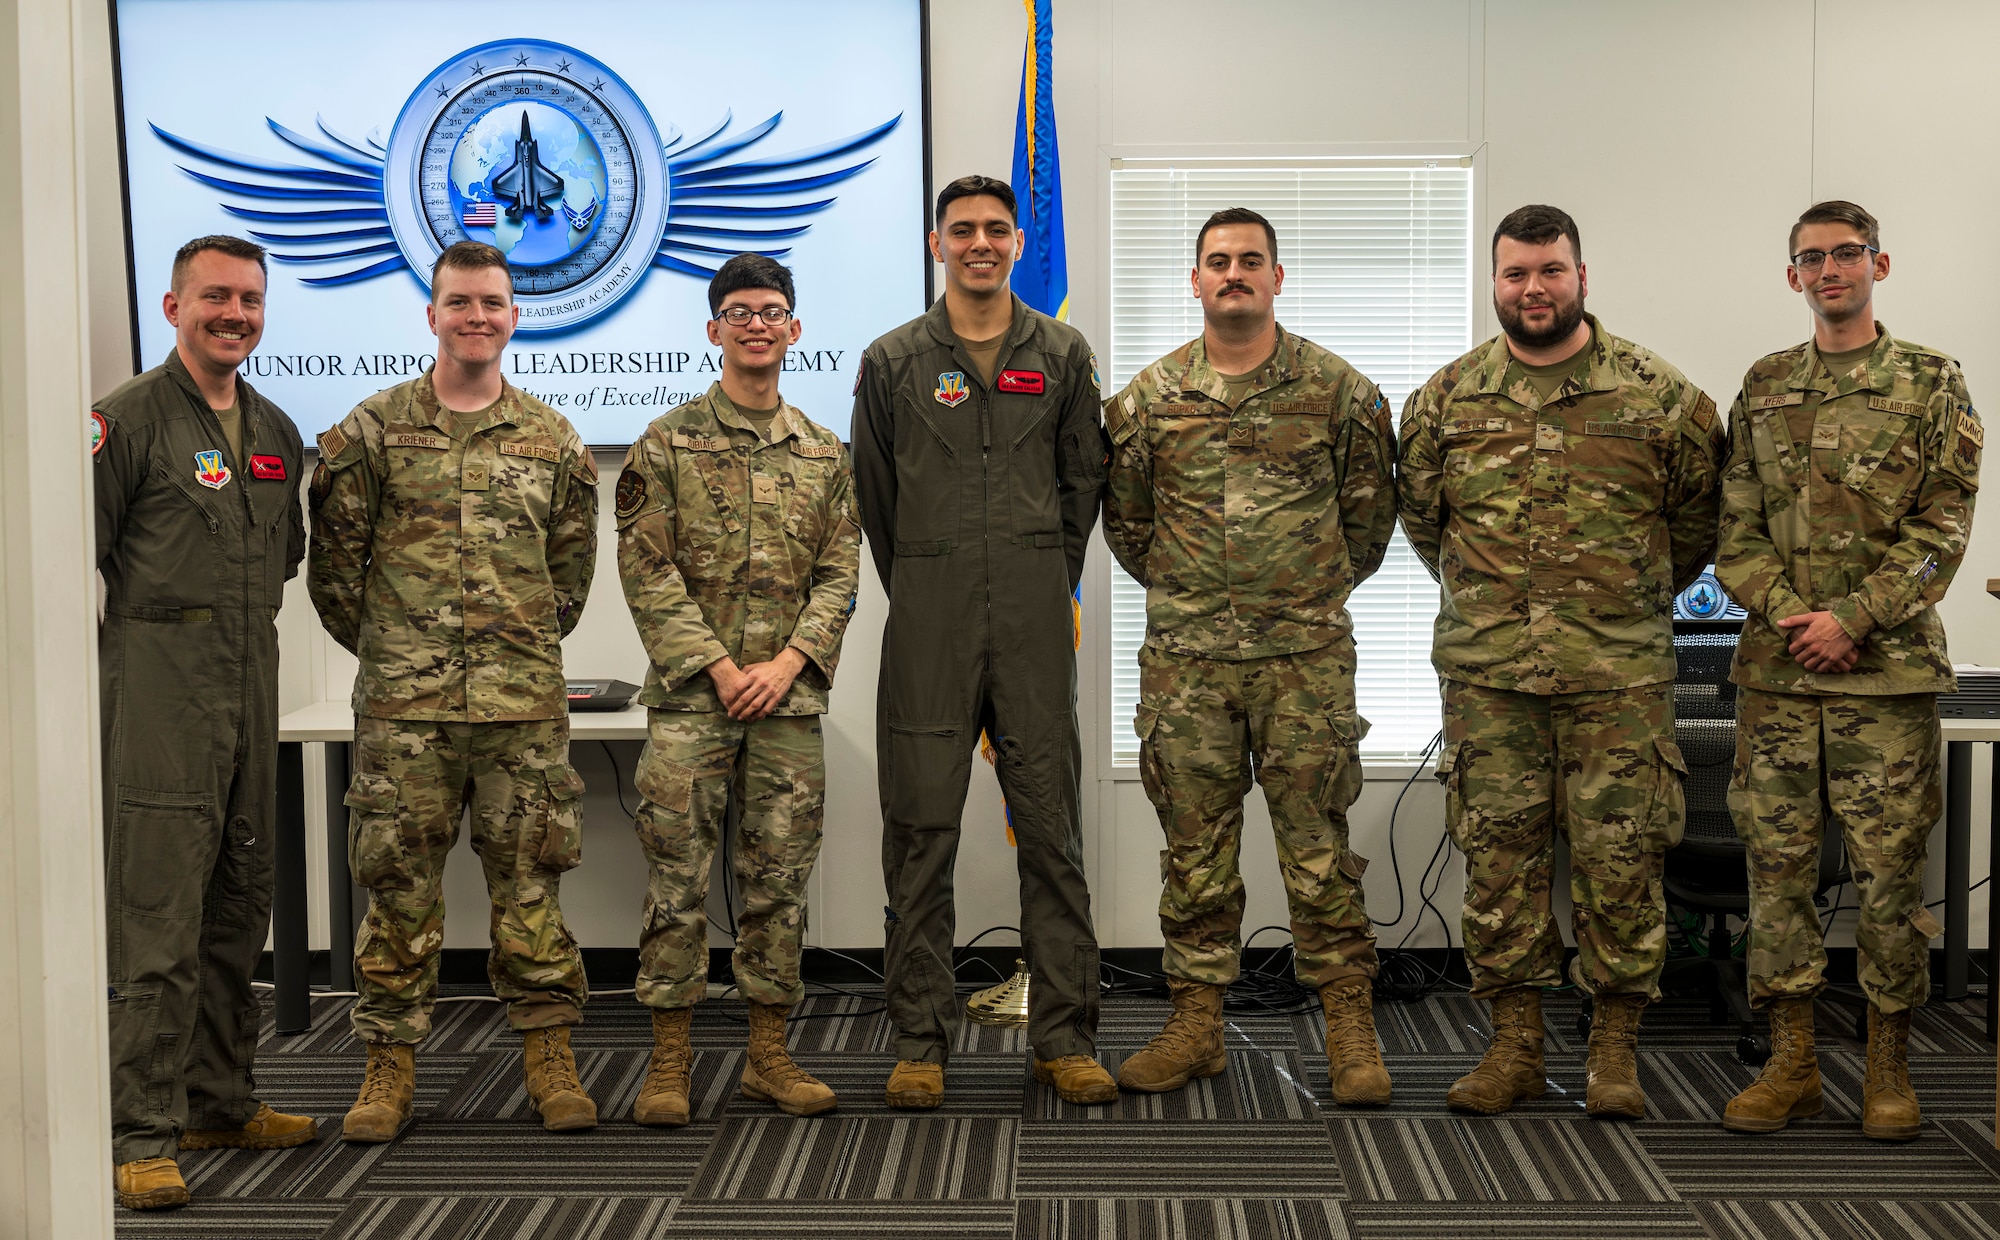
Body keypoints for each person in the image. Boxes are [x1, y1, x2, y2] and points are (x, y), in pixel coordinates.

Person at [1397, 204, 1724, 1120]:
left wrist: (1613, 607)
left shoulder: (1662, 397)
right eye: (1514, 274)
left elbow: (1697, 527)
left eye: (1549, 271)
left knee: (1621, 865)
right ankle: (1516, 1050)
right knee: (1499, 865)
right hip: (1491, 680)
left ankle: (1614, 1051)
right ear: (1494, 281)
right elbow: (1427, 523)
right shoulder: (1447, 400)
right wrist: (1500, 606)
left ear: (1583, 275)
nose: (1532, 289)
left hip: (1617, 682)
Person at [1103, 208, 1398, 1103]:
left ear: (1278, 276)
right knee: (1193, 852)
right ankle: (1197, 1024)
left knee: (1319, 851)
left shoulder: (1341, 392)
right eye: (1217, 262)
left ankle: (1349, 1026)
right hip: (1187, 665)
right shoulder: (1148, 401)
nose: (1234, 274)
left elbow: (1369, 524)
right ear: (1193, 281)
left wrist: (1295, 596)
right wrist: (1200, 599)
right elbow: (1130, 526)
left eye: (1250, 261)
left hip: (1305, 661)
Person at [309, 240, 600, 1142]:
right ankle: (386, 1070)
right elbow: (334, 574)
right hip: (405, 716)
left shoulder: (552, 439)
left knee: (532, 889)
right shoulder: (370, 431)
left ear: (516, 315)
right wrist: (399, 655)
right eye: (461, 303)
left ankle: (550, 1060)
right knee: (397, 890)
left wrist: (507, 650)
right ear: (431, 314)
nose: (478, 317)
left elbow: (571, 578)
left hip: (521, 712)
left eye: (494, 304)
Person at [1714, 201, 1979, 1141]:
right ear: (1793, 277)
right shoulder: (1766, 383)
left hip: (1886, 677)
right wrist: (1795, 618)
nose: (1830, 270)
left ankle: (1887, 1070)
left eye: (1846, 254)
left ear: (1880, 264)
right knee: (1776, 873)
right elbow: (1732, 528)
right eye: (1811, 258)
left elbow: (1945, 522)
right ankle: (1791, 1066)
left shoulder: (1931, 380)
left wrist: (1854, 619)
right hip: (1782, 674)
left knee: (1889, 879)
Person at [850, 174, 1114, 1108]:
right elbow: (876, 504)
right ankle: (921, 1040)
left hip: (1037, 620)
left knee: (1051, 832)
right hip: (929, 618)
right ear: (936, 245)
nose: (980, 244)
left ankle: (1065, 1038)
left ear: (1015, 242)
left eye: (996, 230)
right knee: (919, 832)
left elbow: (1083, 486)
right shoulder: (892, 362)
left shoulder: (1064, 353)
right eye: (962, 230)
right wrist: (935, 574)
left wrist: (1037, 565)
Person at [94, 235, 315, 1210]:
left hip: (249, 681)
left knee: (239, 905)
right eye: (216, 296)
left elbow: (285, 559)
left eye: (251, 299)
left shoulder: (275, 425)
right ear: (175, 304)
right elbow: (76, 559)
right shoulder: (124, 421)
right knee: (159, 923)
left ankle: (219, 1098)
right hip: (159, 692)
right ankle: (139, 1130)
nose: (236, 313)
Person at [614, 254, 861, 1125]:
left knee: (778, 881)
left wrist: (789, 662)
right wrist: (720, 668)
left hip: (787, 707)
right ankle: (670, 1062)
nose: (757, 324)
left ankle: (768, 1055)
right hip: (693, 703)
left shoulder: (825, 452)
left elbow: (841, 575)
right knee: (675, 879)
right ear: (713, 329)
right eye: (740, 312)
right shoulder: (666, 441)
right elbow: (646, 569)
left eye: (773, 311)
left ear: (795, 330)